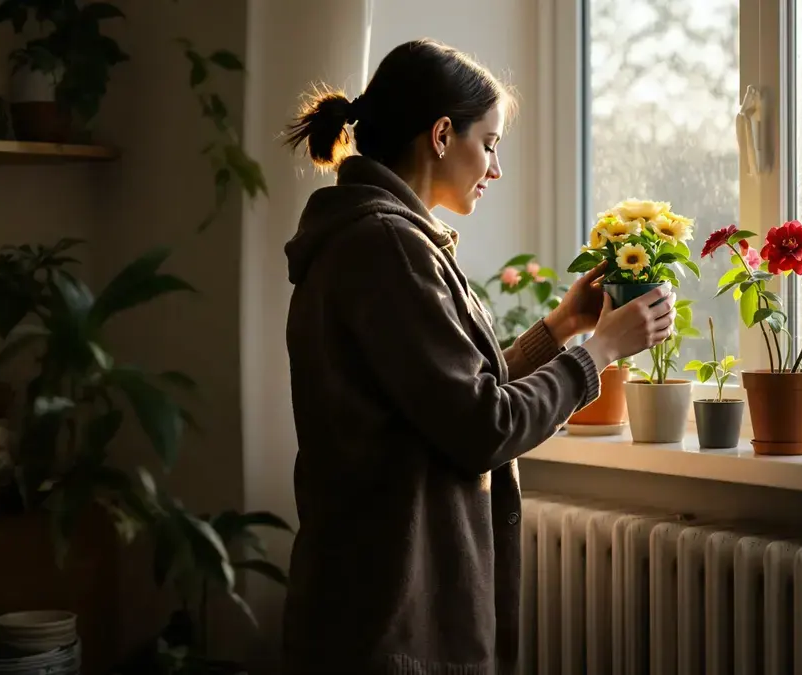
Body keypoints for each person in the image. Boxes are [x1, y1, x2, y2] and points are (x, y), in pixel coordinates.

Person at [279, 38, 674, 675]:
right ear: (441, 135)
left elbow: (442, 400)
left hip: (377, 606)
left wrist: (561, 328)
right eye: (489, 144)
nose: (496, 169)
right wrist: (600, 351)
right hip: (392, 621)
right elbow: (482, 425)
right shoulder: (388, 247)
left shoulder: (383, 239)